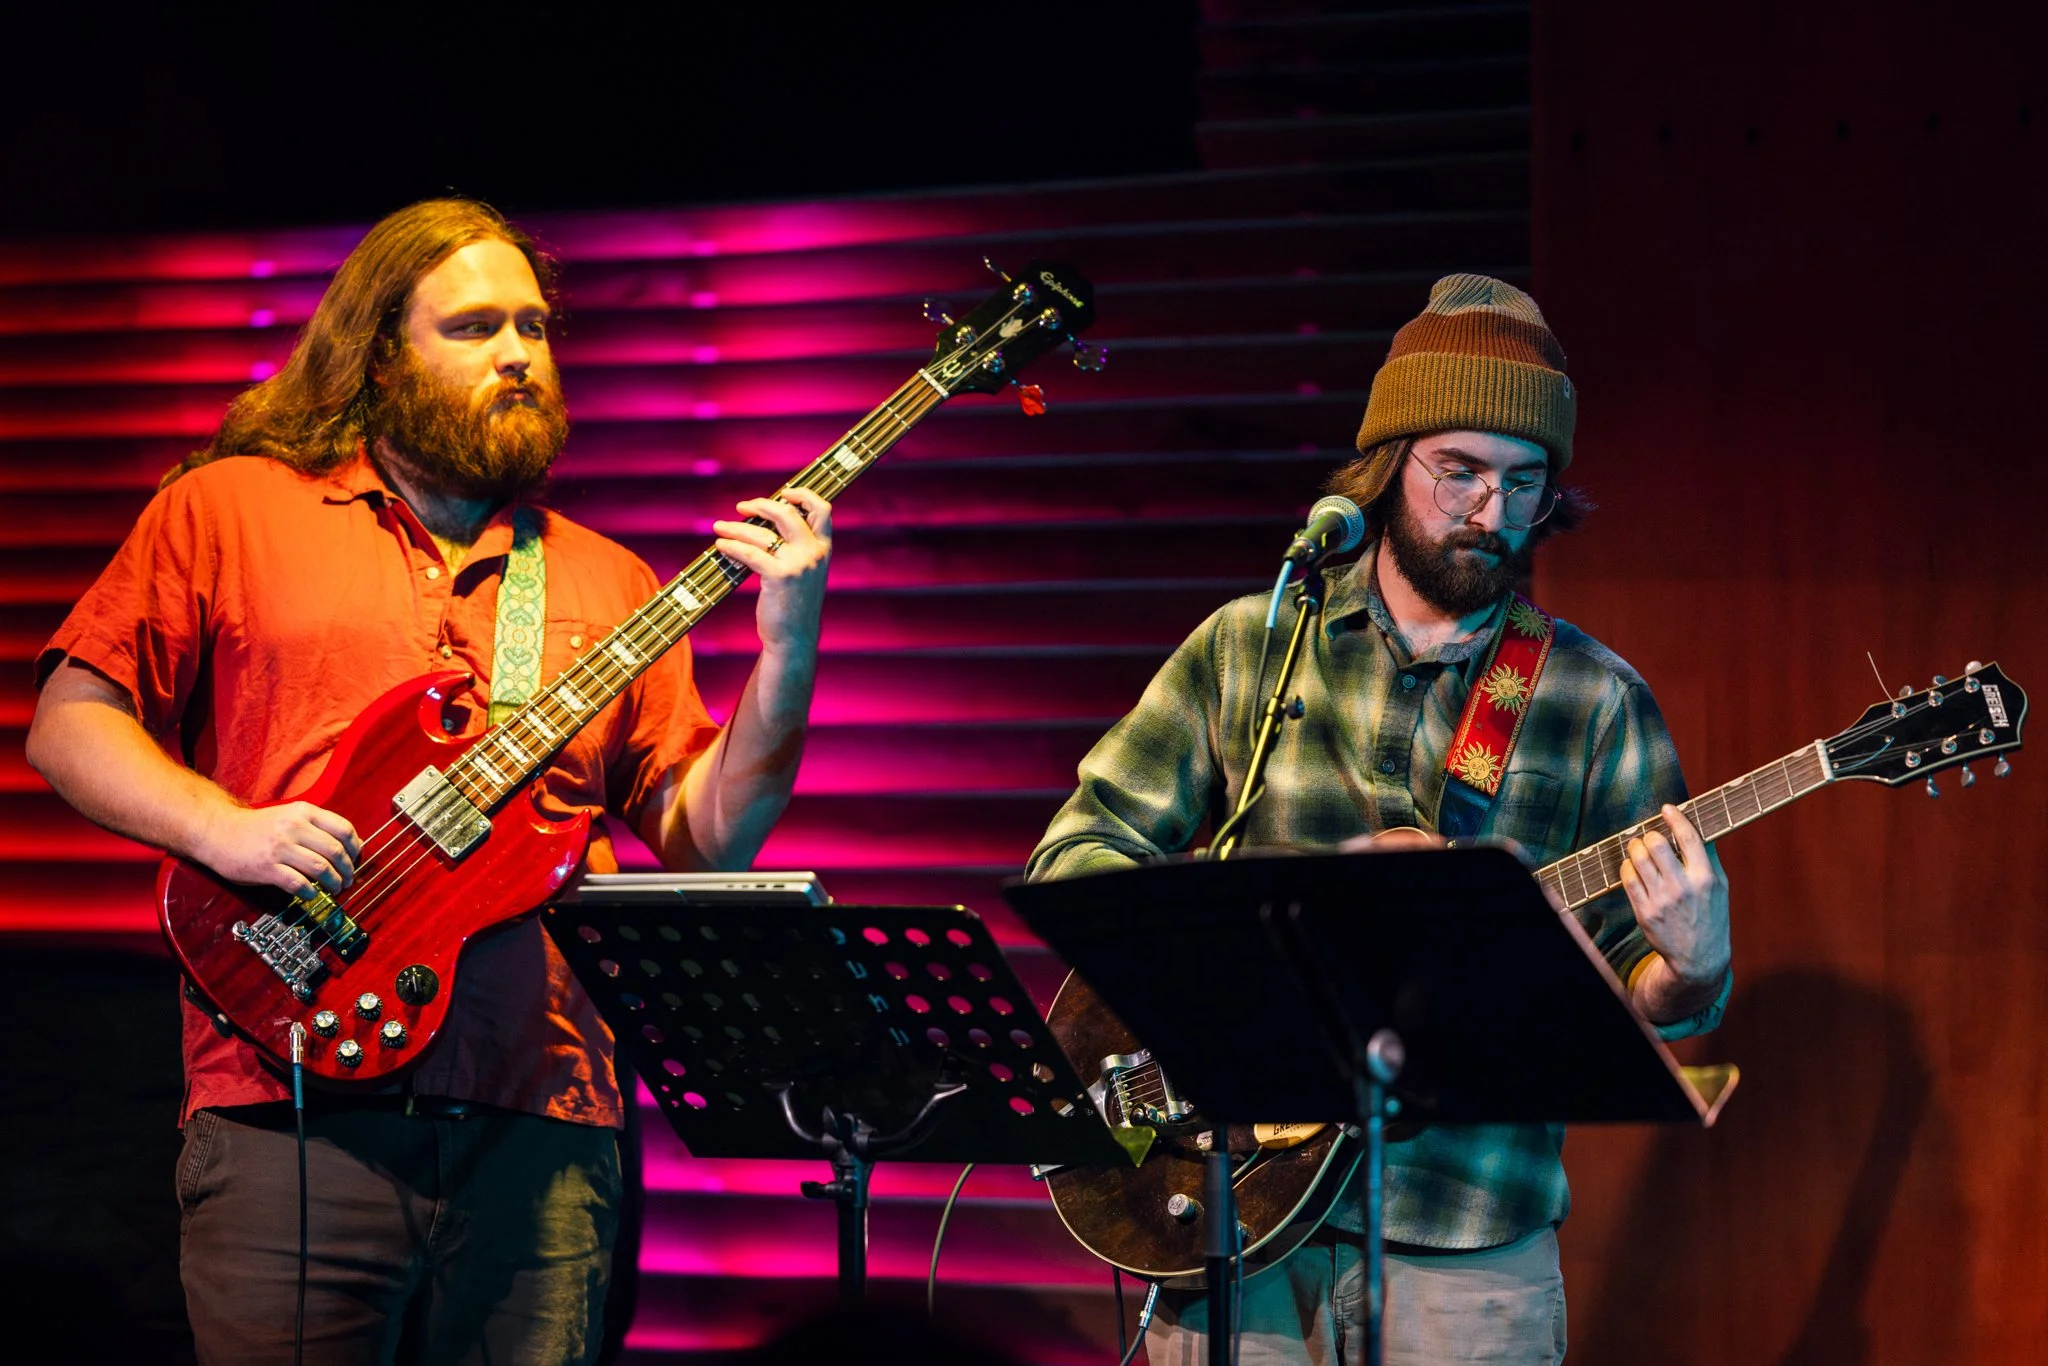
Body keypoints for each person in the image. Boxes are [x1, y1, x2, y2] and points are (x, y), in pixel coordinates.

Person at [24, 198, 833, 1365]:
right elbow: (69, 726)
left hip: (542, 1117)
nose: (518, 353)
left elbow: (709, 839)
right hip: (284, 1097)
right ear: (378, 352)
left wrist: (789, 643)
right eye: (475, 327)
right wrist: (229, 830)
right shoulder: (229, 510)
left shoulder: (612, 582)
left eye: (535, 328)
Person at [1026, 274, 1732, 1365]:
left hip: (1463, 1239)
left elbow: (1658, 1002)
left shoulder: (1592, 699)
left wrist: (1687, 963)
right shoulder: (1251, 646)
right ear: (1386, 460)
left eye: (1522, 483)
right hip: (1231, 1212)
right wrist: (1267, 948)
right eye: (1458, 473)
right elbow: (1077, 855)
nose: (1490, 517)